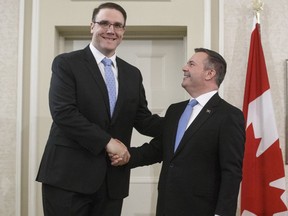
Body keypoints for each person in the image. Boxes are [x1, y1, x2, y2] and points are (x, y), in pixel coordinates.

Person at [36, 2, 163, 216]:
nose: (111, 30)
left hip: (111, 182)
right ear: (92, 26)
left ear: (123, 31)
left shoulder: (132, 73)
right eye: (104, 23)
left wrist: (184, 122)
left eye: (117, 25)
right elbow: (63, 113)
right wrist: (107, 142)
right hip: (67, 178)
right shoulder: (67, 63)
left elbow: (142, 119)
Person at [112, 48, 246, 215]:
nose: (184, 68)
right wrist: (124, 156)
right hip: (167, 207)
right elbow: (158, 149)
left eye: (191, 64)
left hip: (202, 210)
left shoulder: (229, 115)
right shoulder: (175, 111)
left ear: (209, 73)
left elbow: (231, 172)